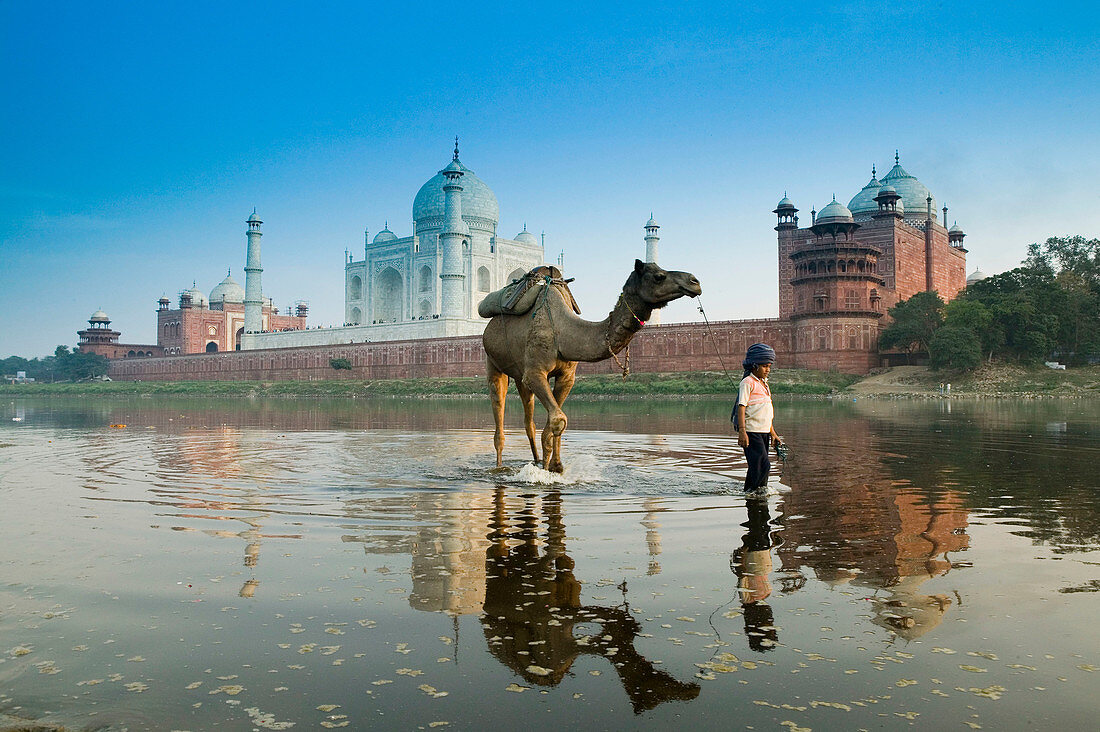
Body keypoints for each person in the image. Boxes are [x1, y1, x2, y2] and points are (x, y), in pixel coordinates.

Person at [733, 343, 784, 492]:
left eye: (769, 366)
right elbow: (741, 407)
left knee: (757, 465)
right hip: (751, 432)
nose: (768, 370)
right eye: (764, 366)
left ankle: (755, 491)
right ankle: (754, 492)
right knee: (764, 464)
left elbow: (766, 413)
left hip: (764, 432)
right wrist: (742, 432)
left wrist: (773, 433)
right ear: (754, 366)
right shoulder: (747, 383)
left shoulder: (765, 384)